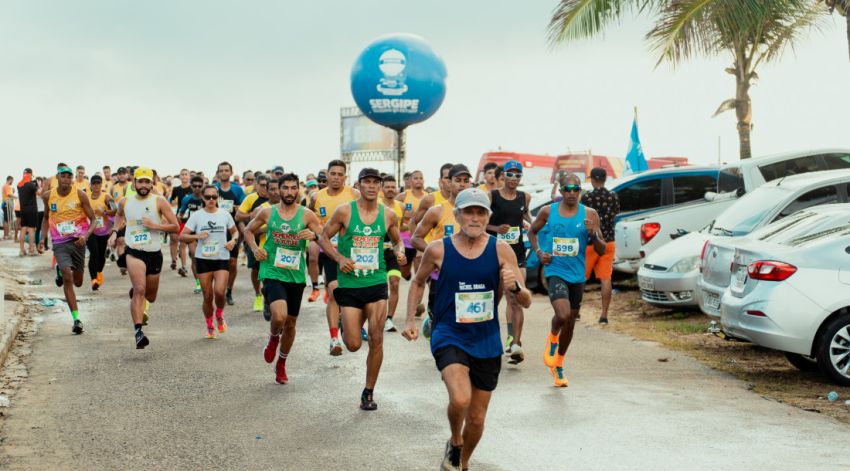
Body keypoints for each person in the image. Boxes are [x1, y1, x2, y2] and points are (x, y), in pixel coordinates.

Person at [402, 188, 531, 471]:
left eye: (480, 212)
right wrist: (410, 319)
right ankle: (455, 440)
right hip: (449, 333)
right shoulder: (438, 248)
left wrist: (515, 286)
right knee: (460, 398)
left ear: (488, 216)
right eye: (468, 212)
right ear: (458, 215)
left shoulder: (501, 249)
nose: (475, 218)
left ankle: (462, 461)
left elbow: (526, 300)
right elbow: (418, 282)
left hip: (486, 339)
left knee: (477, 418)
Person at [318, 168, 405, 410]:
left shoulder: (388, 215)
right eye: (366, 182)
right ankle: (348, 325)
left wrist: (399, 251)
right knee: (354, 344)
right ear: (359, 184)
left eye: (375, 182)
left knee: (376, 338)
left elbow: (397, 240)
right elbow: (323, 237)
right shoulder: (345, 211)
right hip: (350, 283)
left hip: (376, 281)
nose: (371, 186)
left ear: (379, 186)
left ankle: (368, 392)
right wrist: (338, 259)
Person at [527, 173, 605, 387]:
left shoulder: (590, 214)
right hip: (556, 271)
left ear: (581, 191)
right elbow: (532, 233)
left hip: (577, 276)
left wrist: (594, 234)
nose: (571, 192)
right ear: (561, 191)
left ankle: (559, 364)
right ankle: (552, 337)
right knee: (561, 315)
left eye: (576, 189)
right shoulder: (547, 211)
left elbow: (602, 249)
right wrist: (539, 252)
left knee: (570, 322)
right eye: (567, 188)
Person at [245, 174, 323, 384]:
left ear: (298, 189)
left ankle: (282, 362)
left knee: (290, 324)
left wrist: (314, 236)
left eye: (293, 188)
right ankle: (272, 339)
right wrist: (254, 249)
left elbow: (323, 234)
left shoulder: (307, 215)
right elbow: (248, 230)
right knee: (279, 317)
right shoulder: (267, 212)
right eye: (285, 188)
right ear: (278, 190)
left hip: (296, 274)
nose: (289, 192)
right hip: (272, 270)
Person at [113, 167, 179, 349]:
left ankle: (135, 293)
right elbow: (118, 216)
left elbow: (175, 226)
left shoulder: (160, 201)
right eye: (140, 181)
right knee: (140, 289)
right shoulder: (125, 202)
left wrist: (155, 226)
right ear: (134, 183)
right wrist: (114, 232)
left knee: (150, 296)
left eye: (147, 182)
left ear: (152, 183)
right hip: (134, 251)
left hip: (154, 253)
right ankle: (138, 332)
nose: (143, 185)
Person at [412, 164, 473, 336]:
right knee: (439, 318)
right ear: (448, 182)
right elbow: (416, 238)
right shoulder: (437, 211)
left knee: (467, 317)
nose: (462, 184)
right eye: (457, 180)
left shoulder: (477, 212)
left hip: (469, 272)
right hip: (441, 273)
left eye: (466, 181)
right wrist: (437, 254)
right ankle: (432, 322)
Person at [308, 160, 359, 355]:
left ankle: (350, 324)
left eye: (340, 174)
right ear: (326, 176)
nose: (336, 177)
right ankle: (333, 338)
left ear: (345, 177)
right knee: (335, 290)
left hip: (352, 253)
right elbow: (308, 218)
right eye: (333, 174)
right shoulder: (316, 197)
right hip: (329, 251)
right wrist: (314, 234)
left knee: (351, 294)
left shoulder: (354, 195)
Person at [39, 166, 97, 335]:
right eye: (62, 176)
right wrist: (42, 239)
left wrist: (85, 237)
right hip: (60, 243)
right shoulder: (48, 196)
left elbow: (93, 220)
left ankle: (61, 269)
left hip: (78, 242)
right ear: (57, 177)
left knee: (78, 281)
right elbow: (45, 218)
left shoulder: (80, 195)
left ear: (72, 179)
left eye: (68, 176)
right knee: (67, 276)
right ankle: (76, 319)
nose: (65, 179)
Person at [486, 160, 532, 363]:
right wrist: (496, 229)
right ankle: (487, 338)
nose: (514, 178)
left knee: (516, 298)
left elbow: (526, 216)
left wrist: (530, 224)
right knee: (492, 300)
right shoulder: (492, 196)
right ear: (503, 175)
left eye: (518, 175)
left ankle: (515, 343)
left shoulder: (525, 197)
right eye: (510, 174)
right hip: (494, 253)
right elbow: (481, 222)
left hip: (517, 255)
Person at [180, 184, 238, 339]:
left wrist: (233, 240)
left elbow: (235, 232)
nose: (211, 200)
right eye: (208, 197)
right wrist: (196, 237)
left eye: (214, 197)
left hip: (221, 257)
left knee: (220, 292)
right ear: (203, 199)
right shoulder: (197, 216)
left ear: (218, 197)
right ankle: (209, 324)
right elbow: (182, 236)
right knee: (207, 296)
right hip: (203, 259)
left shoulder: (225, 214)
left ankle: (219, 314)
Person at [581, 167, 620, 324]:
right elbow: (615, 214)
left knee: (581, 278)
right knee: (606, 278)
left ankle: (576, 311)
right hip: (608, 242)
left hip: (590, 242)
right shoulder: (613, 196)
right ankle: (604, 315)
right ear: (604, 179)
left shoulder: (587, 197)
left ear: (593, 179)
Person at [236, 174, 270, 312]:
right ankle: (258, 295)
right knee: (256, 270)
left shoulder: (277, 199)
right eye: (262, 185)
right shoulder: (251, 198)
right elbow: (238, 216)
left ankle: (269, 296)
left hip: (273, 241)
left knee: (270, 271)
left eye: (267, 185)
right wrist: (253, 216)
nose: (265, 188)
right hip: (255, 240)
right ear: (256, 185)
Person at [214, 161, 246, 306]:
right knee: (216, 262)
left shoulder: (237, 190)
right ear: (218, 173)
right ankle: (217, 290)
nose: (224, 173)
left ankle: (229, 291)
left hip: (231, 229)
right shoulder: (213, 189)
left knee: (232, 263)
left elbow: (244, 209)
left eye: (227, 170)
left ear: (231, 173)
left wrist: (232, 206)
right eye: (222, 170)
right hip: (215, 229)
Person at [380, 175, 404, 332]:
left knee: (394, 282)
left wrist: (400, 250)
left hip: (393, 251)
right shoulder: (377, 205)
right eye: (387, 186)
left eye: (392, 186)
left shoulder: (400, 206)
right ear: (382, 189)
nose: (390, 189)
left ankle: (389, 319)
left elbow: (402, 229)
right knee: (379, 286)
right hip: (375, 252)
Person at [395, 169, 427, 279]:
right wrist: (402, 220)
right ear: (410, 181)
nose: (418, 180)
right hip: (405, 238)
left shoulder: (428, 197)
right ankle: (407, 274)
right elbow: (392, 214)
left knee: (419, 261)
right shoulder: (402, 197)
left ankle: (419, 281)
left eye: (421, 178)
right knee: (404, 271)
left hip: (422, 236)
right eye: (416, 178)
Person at [86, 175, 116, 290]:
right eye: (94, 184)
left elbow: (115, 210)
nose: (96, 186)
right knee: (94, 254)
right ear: (91, 185)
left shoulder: (106, 196)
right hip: (90, 230)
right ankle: (93, 279)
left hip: (103, 232)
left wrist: (104, 212)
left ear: (101, 184)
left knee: (101, 255)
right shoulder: (86, 197)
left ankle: (99, 273)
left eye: (98, 183)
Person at [178, 176, 206, 293]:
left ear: (203, 186)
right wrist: (183, 222)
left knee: (205, 257)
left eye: (200, 186)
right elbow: (180, 214)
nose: (197, 188)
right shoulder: (187, 199)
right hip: (192, 232)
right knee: (194, 256)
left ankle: (207, 280)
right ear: (191, 186)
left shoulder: (207, 198)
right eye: (194, 186)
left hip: (206, 231)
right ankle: (198, 283)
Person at [169, 169, 193, 275]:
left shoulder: (193, 188)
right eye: (182, 175)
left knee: (193, 245)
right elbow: (171, 200)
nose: (184, 176)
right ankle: (184, 266)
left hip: (192, 219)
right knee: (182, 243)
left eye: (186, 174)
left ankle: (196, 264)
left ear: (189, 176)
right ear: (180, 177)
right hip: (181, 218)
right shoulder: (176, 189)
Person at [17, 169, 39, 256]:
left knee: (23, 229)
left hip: (23, 210)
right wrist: (37, 185)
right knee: (31, 230)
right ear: (30, 174)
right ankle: (31, 250)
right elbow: (39, 193)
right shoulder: (30, 185)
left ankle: (22, 250)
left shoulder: (19, 185)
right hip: (32, 210)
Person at [3, 176, 16, 241]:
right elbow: (9, 195)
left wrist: (12, 191)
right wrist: (16, 197)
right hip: (6, 204)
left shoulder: (5, 186)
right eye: (12, 181)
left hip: (5, 203)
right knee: (6, 220)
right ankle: (6, 235)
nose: (12, 182)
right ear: (10, 180)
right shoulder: (7, 186)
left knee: (7, 220)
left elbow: (9, 194)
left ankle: (7, 235)